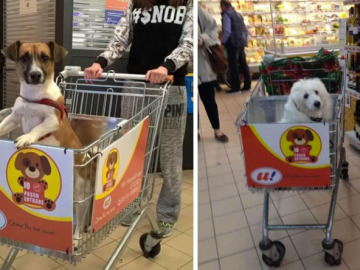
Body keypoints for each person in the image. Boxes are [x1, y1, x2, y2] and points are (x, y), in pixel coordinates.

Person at [84, 0, 193, 238]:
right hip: (135, 86)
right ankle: (132, 203)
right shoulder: (137, 4)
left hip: (169, 88)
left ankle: (167, 214)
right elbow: (120, 39)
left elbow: (188, 42)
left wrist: (166, 66)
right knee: (133, 150)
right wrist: (99, 62)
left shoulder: (187, 4)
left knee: (170, 155)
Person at [198, 6, 229, 143]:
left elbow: (212, 27)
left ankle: (217, 129)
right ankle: (196, 131)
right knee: (191, 101)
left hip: (203, 65)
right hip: (184, 66)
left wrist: (202, 39)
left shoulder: (196, 9)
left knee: (209, 99)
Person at [220, 0, 251, 94]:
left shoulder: (226, 14)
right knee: (243, 64)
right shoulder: (238, 14)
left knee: (233, 66)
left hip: (232, 43)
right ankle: (247, 86)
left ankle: (236, 88)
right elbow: (245, 30)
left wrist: (223, 43)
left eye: (220, 6)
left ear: (224, 6)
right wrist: (244, 39)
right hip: (241, 42)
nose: (220, 9)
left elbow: (227, 31)